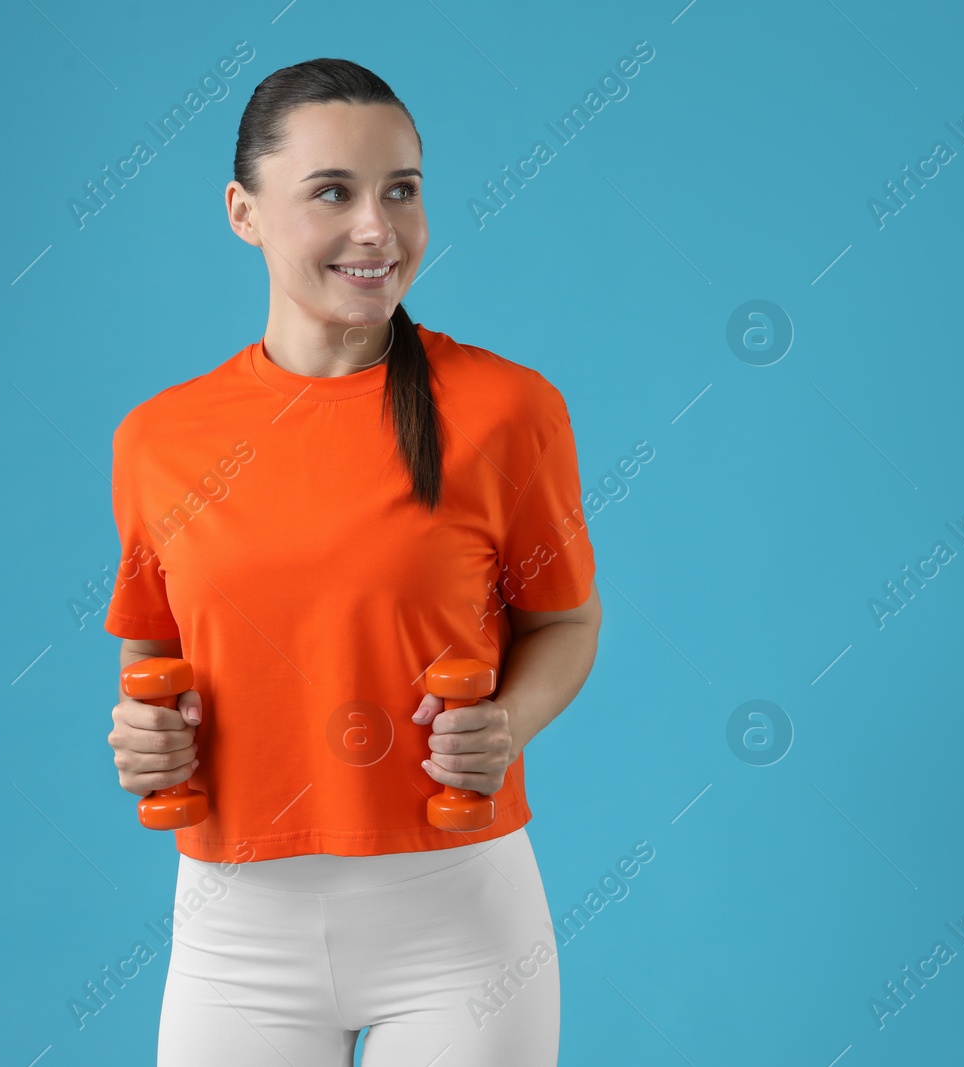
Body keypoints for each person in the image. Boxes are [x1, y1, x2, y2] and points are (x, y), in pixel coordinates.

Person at [102, 57, 601, 1066]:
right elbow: (158, 659)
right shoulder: (159, 440)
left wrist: (507, 723)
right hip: (236, 928)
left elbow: (565, 621)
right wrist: (142, 736)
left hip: (460, 921)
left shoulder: (509, 410)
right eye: (333, 191)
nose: (378, 227)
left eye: (402, 190)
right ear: (244, 212)